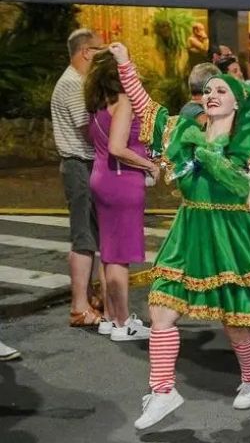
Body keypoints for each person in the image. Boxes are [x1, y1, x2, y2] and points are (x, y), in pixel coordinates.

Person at [113, 42, 250, 429]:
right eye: (208, 91)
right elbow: (144, 106)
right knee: (160, 310)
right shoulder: (183, 133)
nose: (212, 95)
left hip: (229, 235)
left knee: (235, 322)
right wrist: (125, 63)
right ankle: (163, 389)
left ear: (237, 103)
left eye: (222, 90)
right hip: (189, 231)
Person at [84, 49, 156, 341]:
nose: (133, 69)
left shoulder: (98, 102)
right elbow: (118, 147)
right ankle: (123, 322)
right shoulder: (124, 101)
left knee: (109, 253)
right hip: (121, 180)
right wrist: (149, 164)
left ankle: (111, 318)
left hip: (101, 176)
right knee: (120, 257)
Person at [51, 28, 108, 328]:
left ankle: (87, 298)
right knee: (83, 236)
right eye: (100, 49)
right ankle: (79, 307)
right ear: (86, 51)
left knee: (89, 234)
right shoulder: (73, 84)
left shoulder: (77, 81)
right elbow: (88, 128)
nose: (102, 54)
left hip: (84, 165)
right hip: (79, 165)